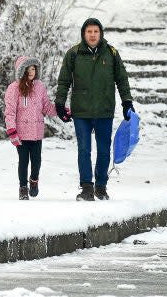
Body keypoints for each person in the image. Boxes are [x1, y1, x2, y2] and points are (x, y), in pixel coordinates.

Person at [55, 18, 134, 201]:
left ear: (101, 33)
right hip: (81, 111)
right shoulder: (73, 54)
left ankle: (101, 186)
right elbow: (64, 81)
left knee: (104, 150)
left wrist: (127, 102)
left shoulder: (112, 53)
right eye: (89, 32)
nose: (92, 35)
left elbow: (122, 79)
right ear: (84, 33)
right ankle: (87, 188)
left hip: (104, 110)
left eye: (95, 32)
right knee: (84, 149)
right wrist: (59, 103)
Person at [4, 56, 57, 200]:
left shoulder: (39, 86)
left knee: (36, 161)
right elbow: (9, 112)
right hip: (20, 134)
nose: (31, 72)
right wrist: (12, 131)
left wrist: (61, 111)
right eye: (27, 69)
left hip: (36, 132)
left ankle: (34, 180)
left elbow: (46, 106)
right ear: (21, 71)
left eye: (33, 68)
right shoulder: (14, 88)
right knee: (23, 161)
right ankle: (23, 187)